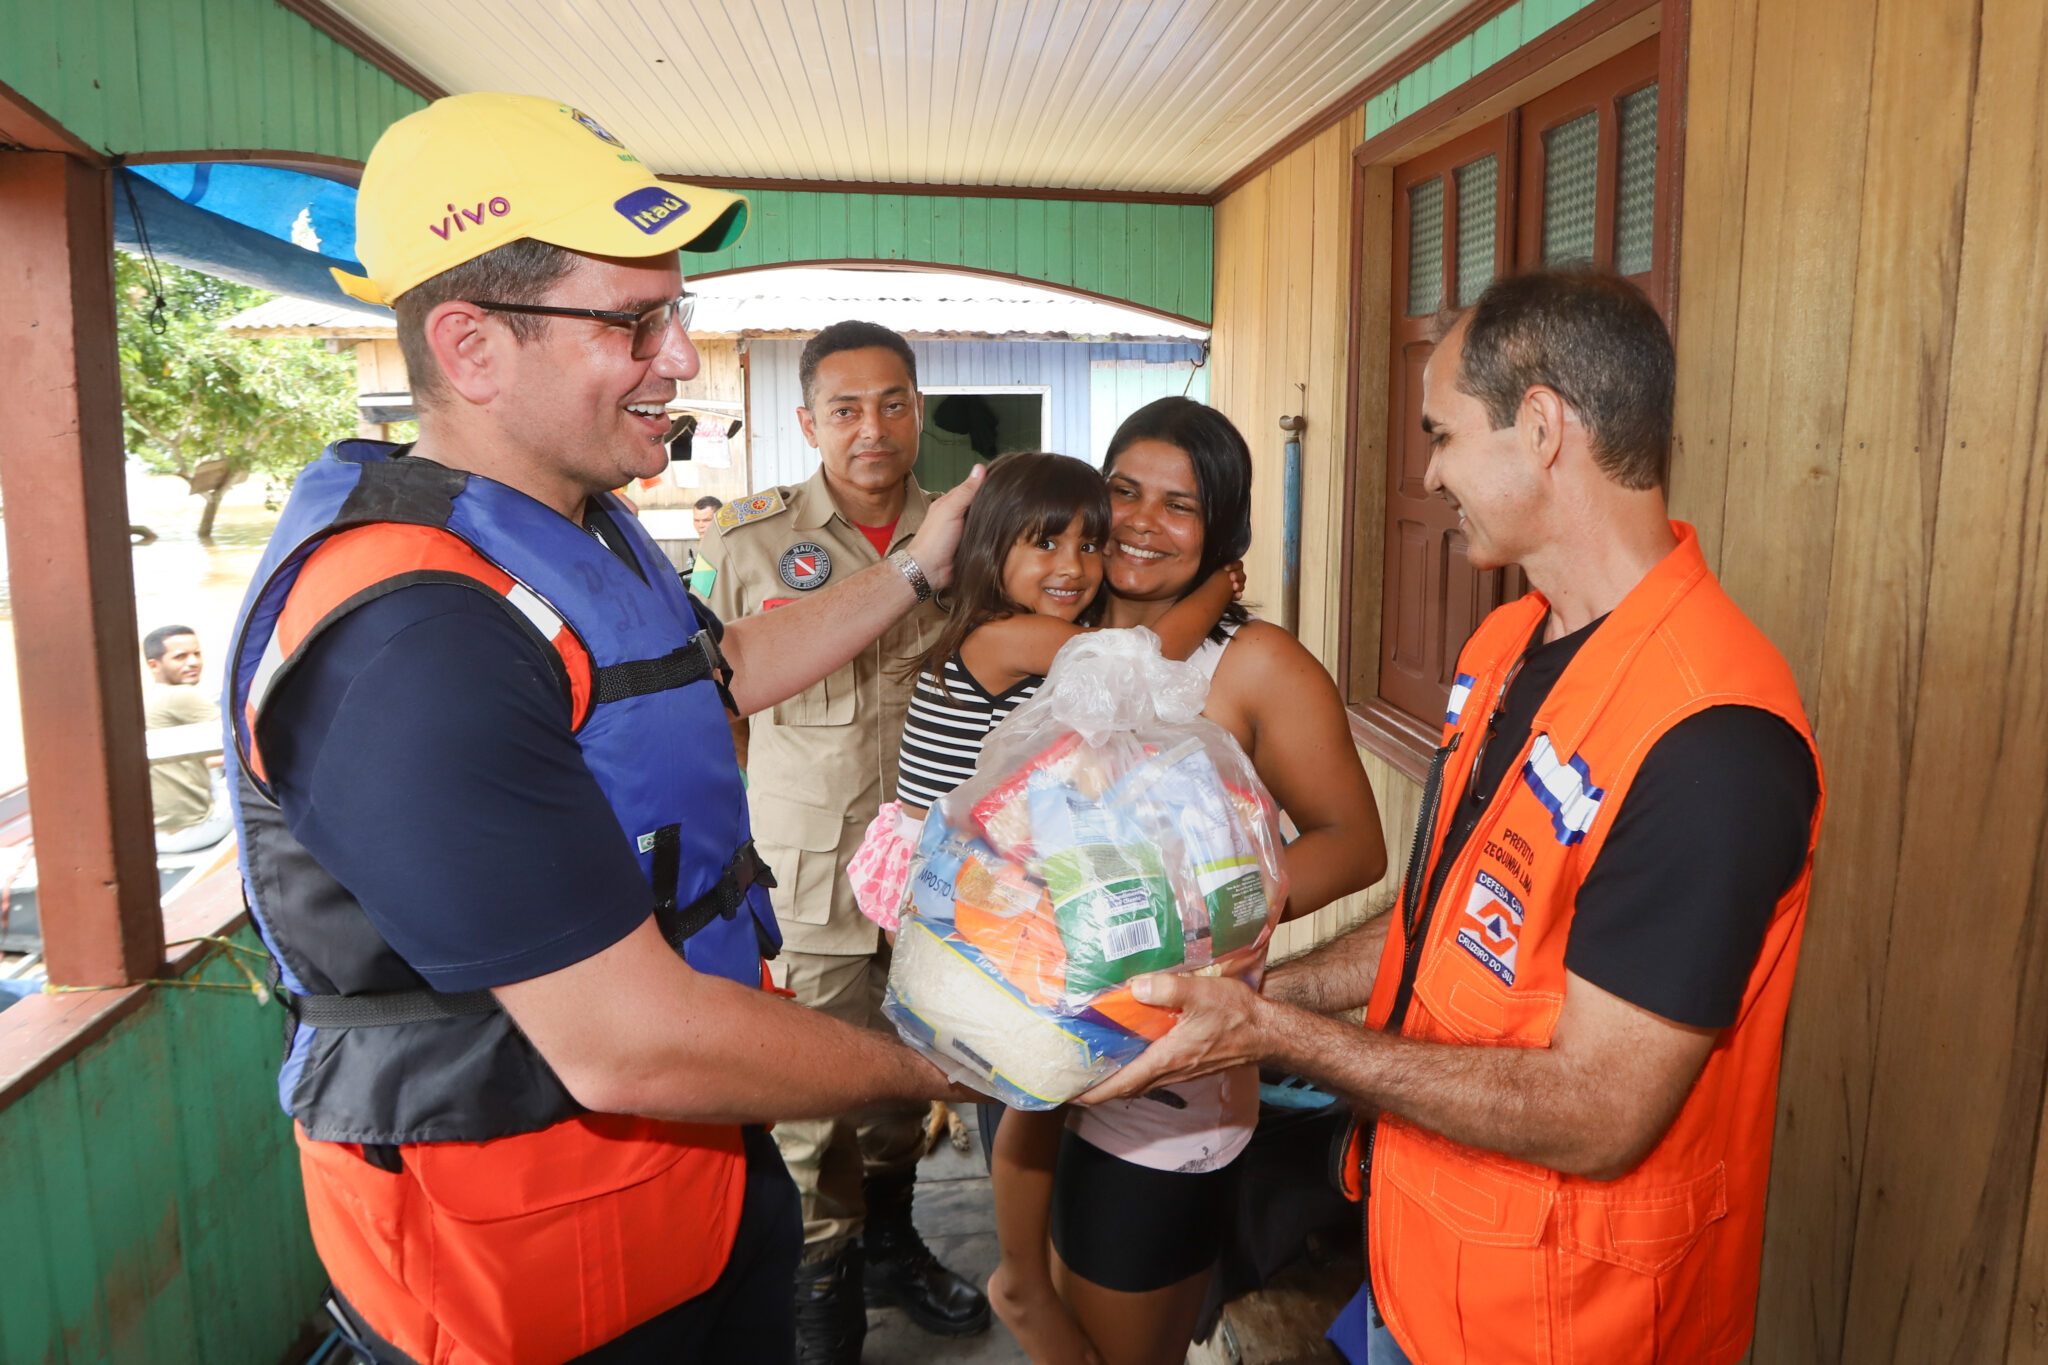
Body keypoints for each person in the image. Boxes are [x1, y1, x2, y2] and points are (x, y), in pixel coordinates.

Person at [223, 92, 987, 1365]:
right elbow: (628, 1043)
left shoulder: (578, 528)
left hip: (682, 1195)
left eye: (674, 315)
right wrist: (943, 1069)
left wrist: (917, 567)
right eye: (636, 322)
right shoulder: (415, 630)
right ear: (470, 347)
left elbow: (714, 671)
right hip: (529, 1271)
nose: (681, 357)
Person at [1082, 271, 1825, 1365]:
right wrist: (1246, 993)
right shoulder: (1504, 647)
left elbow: (1594, 1109)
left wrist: (1272, 1035)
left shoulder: (1710, 737)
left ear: (1538, 427)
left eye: (1440, 434)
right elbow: (1440, 924)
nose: (1428, 474)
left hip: (1572, 1323)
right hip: (1422, 1267)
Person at [991, 400, 1386, 1365]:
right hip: (1023, 1052)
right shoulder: (1044, 629)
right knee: (1040, 1309)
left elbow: (1356, 842)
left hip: (1159, 1097)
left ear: (1225, 532)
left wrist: (1210, 918)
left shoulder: (1254, 663)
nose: (1138, 520)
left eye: (1180, 505)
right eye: (1123, 489)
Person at [839, 447, 1246, 1365]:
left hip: (971, 888)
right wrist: (1217, 589)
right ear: (989, 549)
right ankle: (1019, 1271)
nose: (1073, 565)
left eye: (1090, 543)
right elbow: (1144, 664)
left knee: (1037, 1089)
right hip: (966, 904)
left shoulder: (992, 633)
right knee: (1038, 1089)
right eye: (1044, 542)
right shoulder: (1005, 637)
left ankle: (1031, 1268)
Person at [691, 319, 988, 1362]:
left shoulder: (971, 533)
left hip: (939, 878)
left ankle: (893, 1243)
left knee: (909, 1074)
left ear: (918, 409)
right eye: (847, 409)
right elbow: (709, 716)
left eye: (893, 403)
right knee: (813, 1097)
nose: (873, 429)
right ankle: (821, 1290)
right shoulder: (749, 542)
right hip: (805, 873)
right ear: (809, 420)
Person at [141, 623, 231, 852]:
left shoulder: (150, 697)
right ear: (154, 665)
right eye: (180, 657)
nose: (193, 662)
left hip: (156, 833)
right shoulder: (180, 695)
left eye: (196, 653)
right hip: (192, 829)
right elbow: (242, 742)